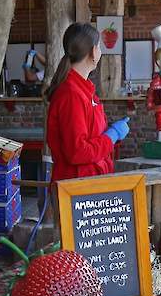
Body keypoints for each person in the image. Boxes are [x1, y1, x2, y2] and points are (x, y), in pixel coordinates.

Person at [45, 22, 130, 182]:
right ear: (93, 51)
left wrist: (110, 132)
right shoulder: (71, 93)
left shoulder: (83, 89)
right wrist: (112, 135)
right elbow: (77, 152)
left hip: (90, 183)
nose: (100, 51)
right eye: (99, 46)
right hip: (78, 188)